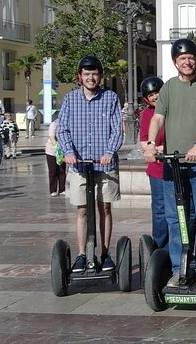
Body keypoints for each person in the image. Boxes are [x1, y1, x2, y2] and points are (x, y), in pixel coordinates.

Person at [143, 38, 196, 289]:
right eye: (181, 58)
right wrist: (151, 143)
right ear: (175, 62)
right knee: (175, 218)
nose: (187, 62)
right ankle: (179, 268)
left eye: (190, 58)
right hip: (173, 165)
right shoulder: (167, 88)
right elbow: (157, 117)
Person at [58, 55, 123, 273]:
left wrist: (108, 152)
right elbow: (62, 128)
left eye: (94, 73)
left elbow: (117, 129)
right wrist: (68, 152)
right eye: (86, 74)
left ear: (100, 76)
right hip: (79, 165)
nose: (91, 78)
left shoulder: (111, 98)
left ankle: (105, 253)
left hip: (104, 164)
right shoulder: (70, 99)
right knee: (82, 210)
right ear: (80, 77)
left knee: (104, 207)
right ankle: (81, 254)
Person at [138, 76, 170, 250]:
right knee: (159, 209)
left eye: (157, 92)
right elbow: (143, 141)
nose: (155, 97)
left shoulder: (172, 109)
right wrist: (157, 149)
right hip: (157, 168)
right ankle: (160, 246)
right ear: (146, 98)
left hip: (174, 166)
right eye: (151, 95)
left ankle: (178, 244)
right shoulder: (147, 114)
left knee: (178, 208)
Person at [45, 118, 66, 197]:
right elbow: (52, 137)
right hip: (51, 151)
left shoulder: (66, 123)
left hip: (63, 150)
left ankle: (62, 189)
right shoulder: (54, 124)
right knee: (53, 171)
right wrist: (57, 150)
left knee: (62, 171)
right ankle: (53, 190)